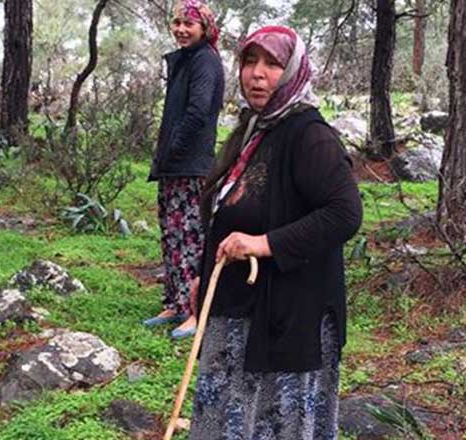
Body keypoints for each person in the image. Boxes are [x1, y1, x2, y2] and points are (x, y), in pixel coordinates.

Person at [188, 26, 363, 439]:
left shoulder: (309, 136)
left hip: (284, 319)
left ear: (293, 71)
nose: (257, 74)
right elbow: (228, 210)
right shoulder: (255, 128)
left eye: (272, 63)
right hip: (237, 310)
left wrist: (264, 245)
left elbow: (344, 214)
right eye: (250, 61)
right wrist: (202, 274)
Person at [144, 0, 224, 340]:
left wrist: (173, 149)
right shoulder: (186, 60)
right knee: (173, 237)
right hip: (174, 166)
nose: (181, 29)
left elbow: (197, 113)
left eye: (188, 24)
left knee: (191, 238)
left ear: (204, 28)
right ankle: (176, 303)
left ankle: (196, 309)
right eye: (177, 22)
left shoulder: (205, 60)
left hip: (191, 167)